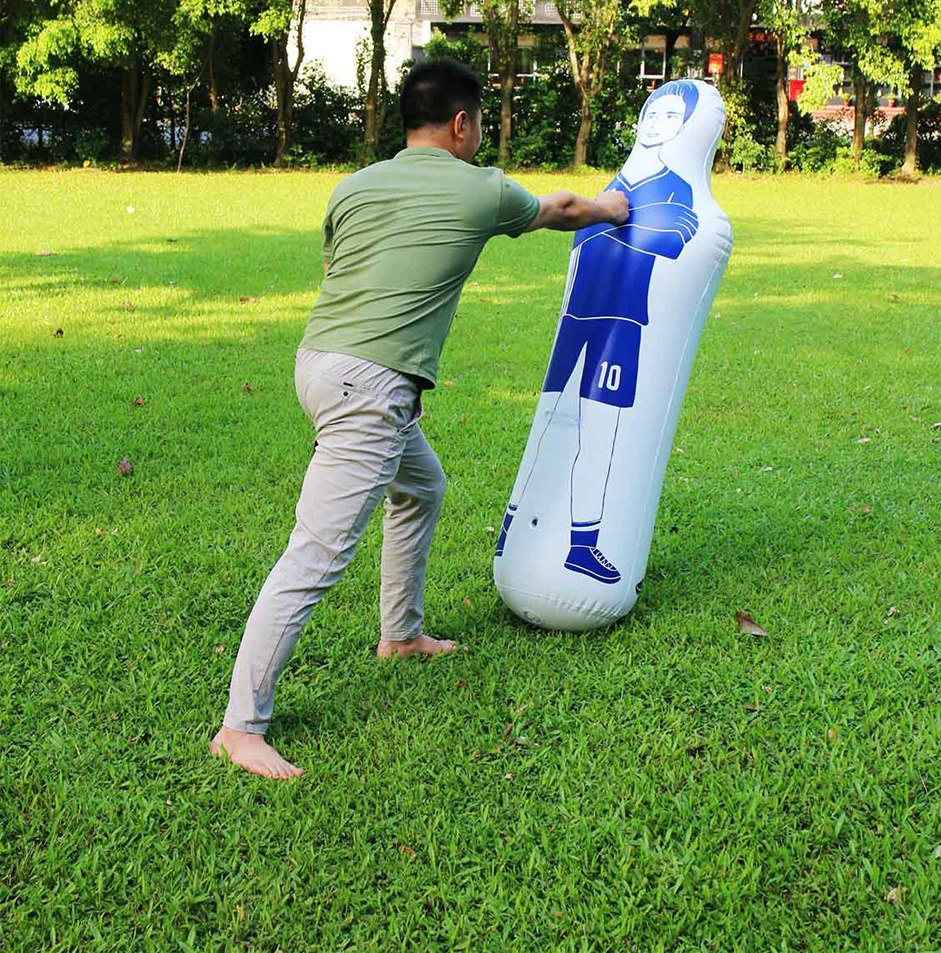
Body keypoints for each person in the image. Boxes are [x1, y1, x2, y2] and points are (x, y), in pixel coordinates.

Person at [211, 58, 630, 779]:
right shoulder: (480, 188)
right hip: (369, 389)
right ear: (461, 124)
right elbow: (561, 210)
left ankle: (400, 635)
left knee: (422, 487)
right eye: (480, 124)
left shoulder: (354, 186)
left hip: (319, 365)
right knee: (315, 555)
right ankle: (240, 727)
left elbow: (352, 272)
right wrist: (614, 210)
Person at [494, 81, 701, 584]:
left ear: (686, 128)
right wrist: (610, 213)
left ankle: (582, 544)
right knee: (549, 420)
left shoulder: (679, 188)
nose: (656, 125)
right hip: (575, 319)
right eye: (652, 114)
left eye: (669, 118)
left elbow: (677, 239)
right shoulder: (613, 186)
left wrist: (620, 221)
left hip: (622, 322)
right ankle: (514, 529)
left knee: (600, 430)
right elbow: (581, 232)